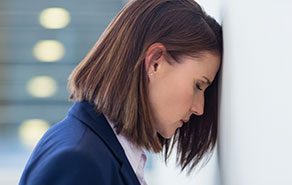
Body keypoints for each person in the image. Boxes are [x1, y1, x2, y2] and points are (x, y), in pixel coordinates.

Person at [19, 0, 223, 184]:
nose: (200, 108)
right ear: (155, 62)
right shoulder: (79, 161)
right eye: (198, 85)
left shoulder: (102, 150)